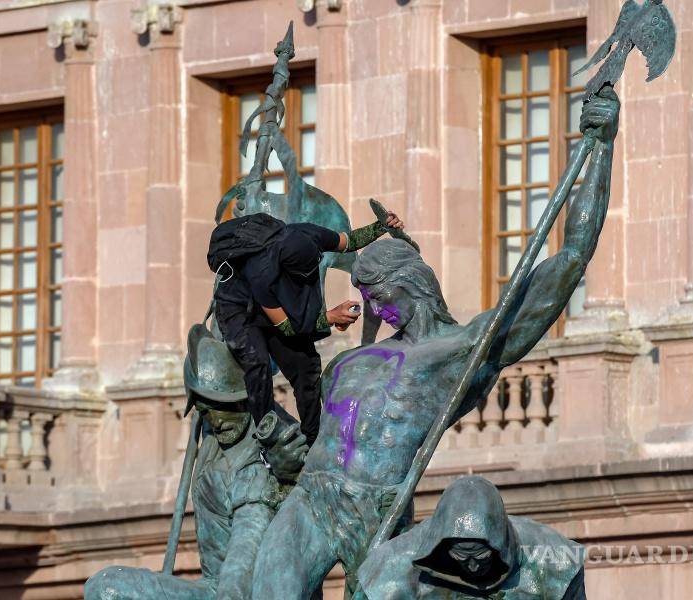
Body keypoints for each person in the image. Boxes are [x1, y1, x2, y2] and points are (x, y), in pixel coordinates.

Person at [248, 87, 620, 598]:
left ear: (412, 284)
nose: (372, 309)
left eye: (375, 294)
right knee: (270, 590)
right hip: (312, 496)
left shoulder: (460, 353)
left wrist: (601, 148)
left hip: (379, 506)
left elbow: (571, 259)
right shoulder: (350, 362)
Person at [84, 325, 308, 600]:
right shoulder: (216, 431)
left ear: (247, 400)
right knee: (104, 588)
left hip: (246, 591)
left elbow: (243, 560)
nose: (216, 420)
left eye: (224, 407)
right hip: (212, 588)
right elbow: (222, 331)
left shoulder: (263, 456)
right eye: (206, 410)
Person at [209, 211, 405, 446]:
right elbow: (288, 328)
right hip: (241, 311)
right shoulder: (262, 273)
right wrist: (331, 317)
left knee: (307, 366)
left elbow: (350, 241)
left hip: (274, 303)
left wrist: (381, 226)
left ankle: (314, 440)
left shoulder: (310, 233)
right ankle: (267, 439)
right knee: (257, 363)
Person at [356, 476, 586, 599]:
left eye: (480, 555)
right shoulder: (392, 566)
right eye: (461, 555)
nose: (473, 565)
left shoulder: (553, 559)